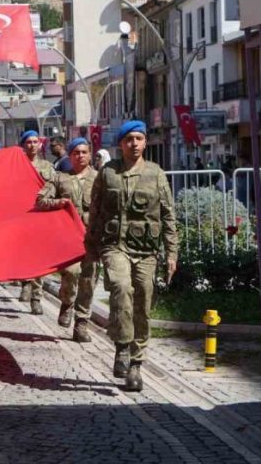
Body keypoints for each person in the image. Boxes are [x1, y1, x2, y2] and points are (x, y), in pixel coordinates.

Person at [86, 120, 179, 392]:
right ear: (120, 144)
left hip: (146, 250)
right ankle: (123, 346)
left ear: (145, 142)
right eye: (129, 139)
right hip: (114, 245)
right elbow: (95, 211)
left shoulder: (156, 174)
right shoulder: (108, 173)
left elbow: (168, 216)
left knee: (143, 302)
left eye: (139, 138)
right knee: (121, 287)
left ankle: (136, 365)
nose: (134, 143)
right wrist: (90, 246)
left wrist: (171, 252)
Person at [36, 138, 100, 339]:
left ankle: (82, 323)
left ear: (90, 154)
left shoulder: (100, 179)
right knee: (71, 273)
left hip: (92, 237)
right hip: (69, 238)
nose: (80, 156)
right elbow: (40, 200)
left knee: (89, 279)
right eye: (76, 153)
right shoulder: (60, 178)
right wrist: (59, 202)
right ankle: (67, 301)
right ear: (70, 156)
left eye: (84, 152)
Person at [17, 130, 55, 314]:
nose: (32, 145)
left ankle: (36, 298)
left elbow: (55, 188)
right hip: (21, 215)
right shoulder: (16, 165)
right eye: (29, 142)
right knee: (22, 253)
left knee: (39, 257)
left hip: (40, 215)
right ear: (23, 145)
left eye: (35, 142)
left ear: (40, 145)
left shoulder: (48, 167)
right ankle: (25, 280)